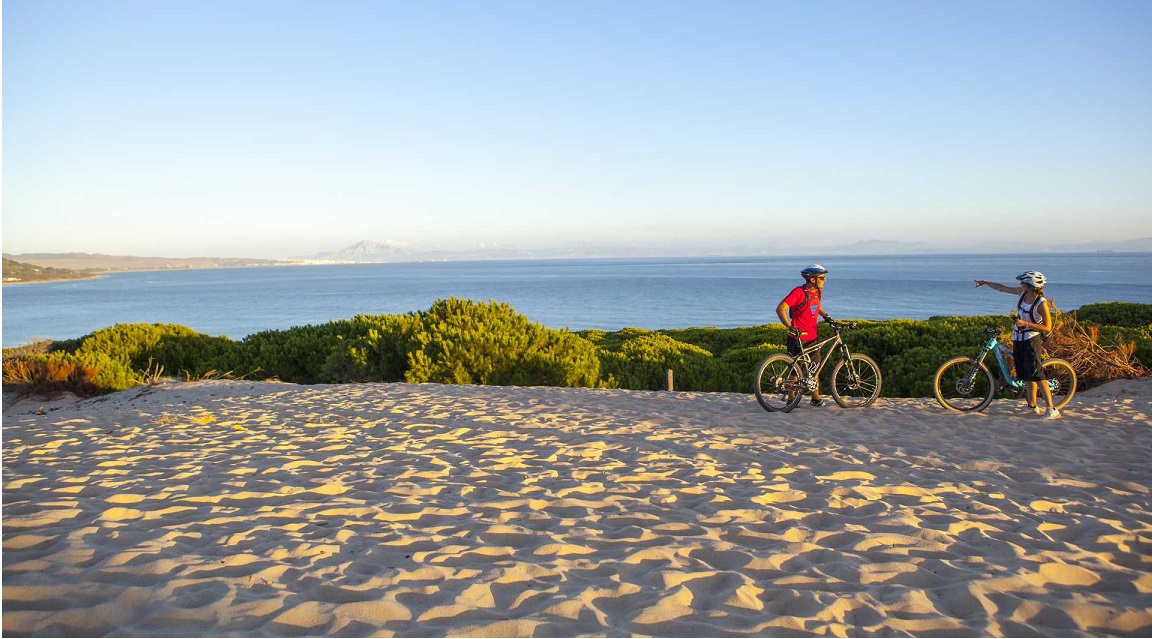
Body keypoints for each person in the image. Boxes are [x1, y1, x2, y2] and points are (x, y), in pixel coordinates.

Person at [974, 271, 1061, 419]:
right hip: (1018, 338)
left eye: (1023, 283)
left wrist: (1025, 323)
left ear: (1031, 285)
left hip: (1031, 340)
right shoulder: (1023, 294)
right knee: (1026, 375)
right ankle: (1032, 406)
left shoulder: (1041, 303)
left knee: (1037, 375)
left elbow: (1047, 327)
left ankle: (1052, 409)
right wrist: (986, 282)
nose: (1020, 285)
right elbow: (1003, 288)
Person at [776, 264, 836, 406]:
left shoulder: (817, 291)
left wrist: (827, 318)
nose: (825, 280)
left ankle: (815, 399)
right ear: (813, 279)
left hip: (813, 338)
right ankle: (791, 400)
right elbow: (781, 308)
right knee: (794, 371)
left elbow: (816, 306)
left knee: (814, 369)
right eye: (822, 277)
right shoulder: (799, 292)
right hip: (797, 338)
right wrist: (790, 327)